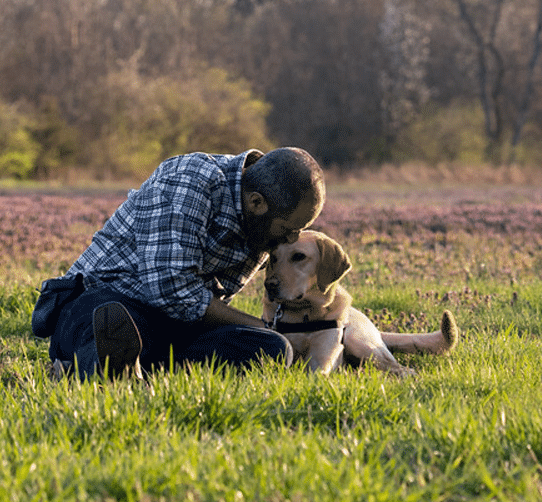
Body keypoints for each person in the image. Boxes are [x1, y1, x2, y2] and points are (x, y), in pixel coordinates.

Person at [33, 147, 324, 379]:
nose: (291, 239)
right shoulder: (193, 179)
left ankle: (131, 370)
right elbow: (171, 291)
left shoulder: (260, 227)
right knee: (121, 324)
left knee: (271, 349)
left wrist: (273, 334)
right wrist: (260, 324)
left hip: (174, 324)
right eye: (288, 228)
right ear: (257, 203)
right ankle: (100, 362)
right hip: (106, 302)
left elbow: (199, 309)